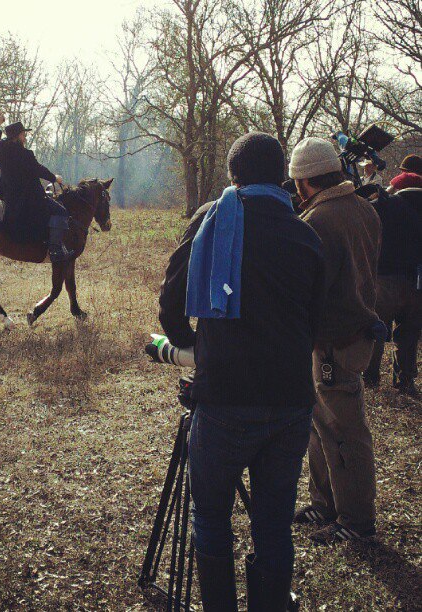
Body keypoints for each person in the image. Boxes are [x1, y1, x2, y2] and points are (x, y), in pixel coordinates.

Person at [159, 132, 325, 611]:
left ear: (233, 177)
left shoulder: (211, 218)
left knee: (210, 515)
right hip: (292, 400)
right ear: (283, 178)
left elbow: (171, 298)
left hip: (225, 397)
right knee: (273, 524)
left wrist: (193, 346)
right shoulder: (306, 234)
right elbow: (314, 320)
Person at [290, 137, 382, 545]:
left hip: (334, 342)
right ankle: (325, 504)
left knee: (345, 430)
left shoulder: (317, 222)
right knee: (322, 426)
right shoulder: (364, 207)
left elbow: (309, 292)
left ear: (305, 182)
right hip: (354, 334)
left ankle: (356, 520)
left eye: (296, 183)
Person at [362, 181, 422, 397]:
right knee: (409, 334)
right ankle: (405, 380)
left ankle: (370, 378)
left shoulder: (385, 206)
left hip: (384, 279)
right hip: (416, 282)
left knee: (377, 330)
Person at [0, 112, 73, 263]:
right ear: (17, 136)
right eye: (23, 134)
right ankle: (55, 250)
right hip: (29, 197)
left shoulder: (0, 148)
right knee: (61, 211)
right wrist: (54, 178)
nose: (25, 137)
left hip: (8, 196)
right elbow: (38, 169)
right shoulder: (25, 154)